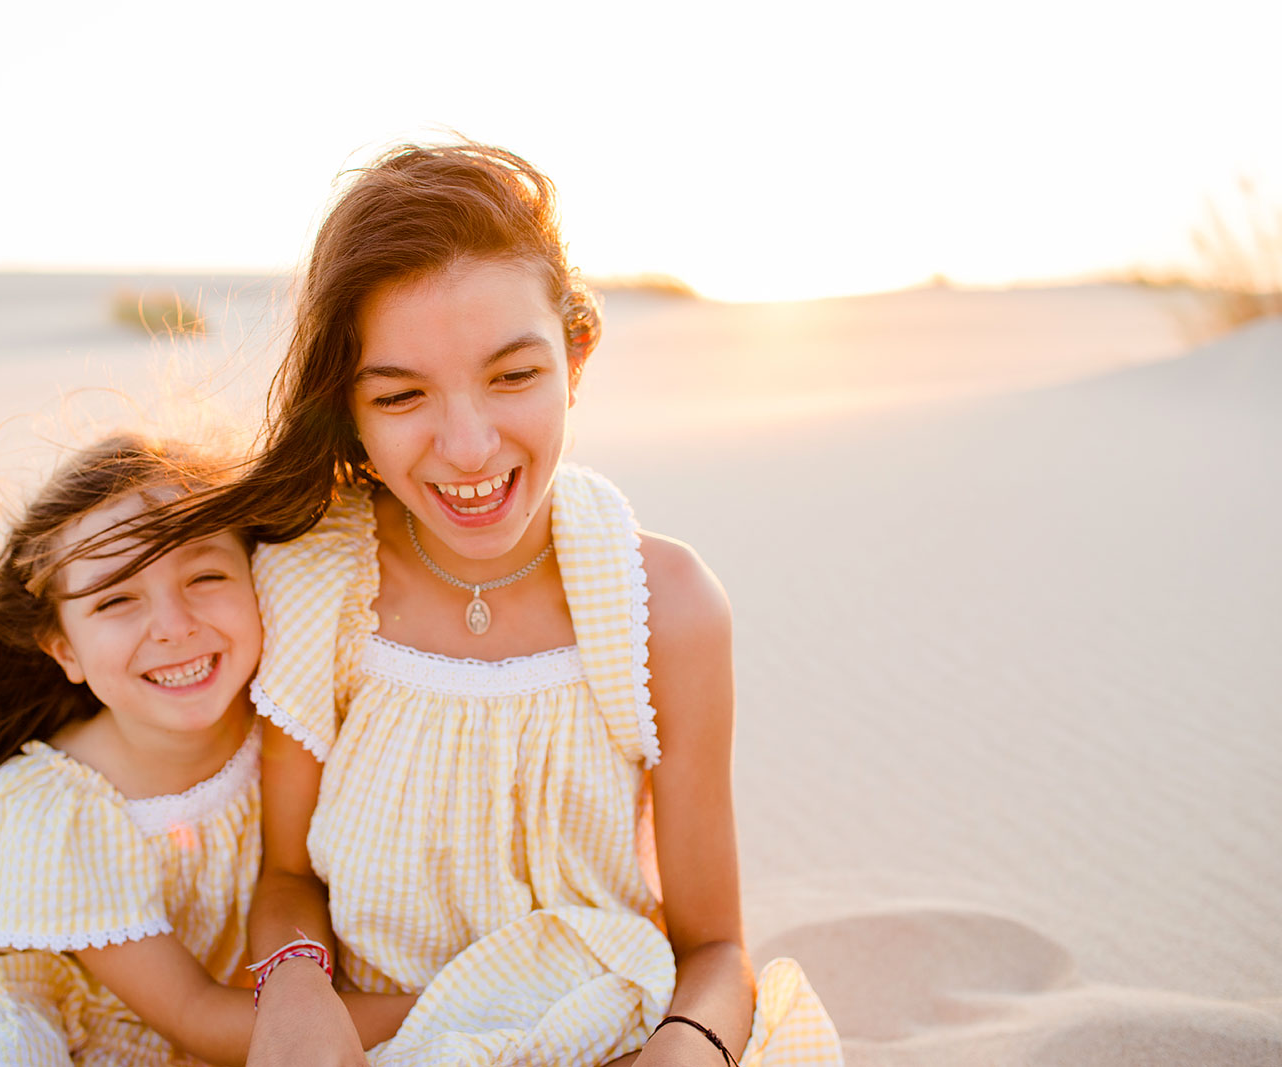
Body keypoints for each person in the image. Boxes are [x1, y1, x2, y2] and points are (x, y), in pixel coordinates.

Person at [200, 142, 844, 1065]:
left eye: (513, 377)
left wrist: (685, 1048)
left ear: (576, 357)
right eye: (402, 394)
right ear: (350, 408)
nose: (467, 446)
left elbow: (715, 947)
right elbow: (288, 874)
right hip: (388, 1040)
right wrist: (297, 986)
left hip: (612, 1034)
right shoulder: (316, 580)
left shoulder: (668, 607)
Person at [0, 433, 402, 1065]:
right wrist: (447, 1002)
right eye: (115, 599)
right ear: (64, 648)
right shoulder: (57, 815)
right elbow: (198, 1017)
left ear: (257, 578)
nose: (174, 625)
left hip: (201, 1022)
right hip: (19, 1004)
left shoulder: (294, 720)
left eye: (205, 575)